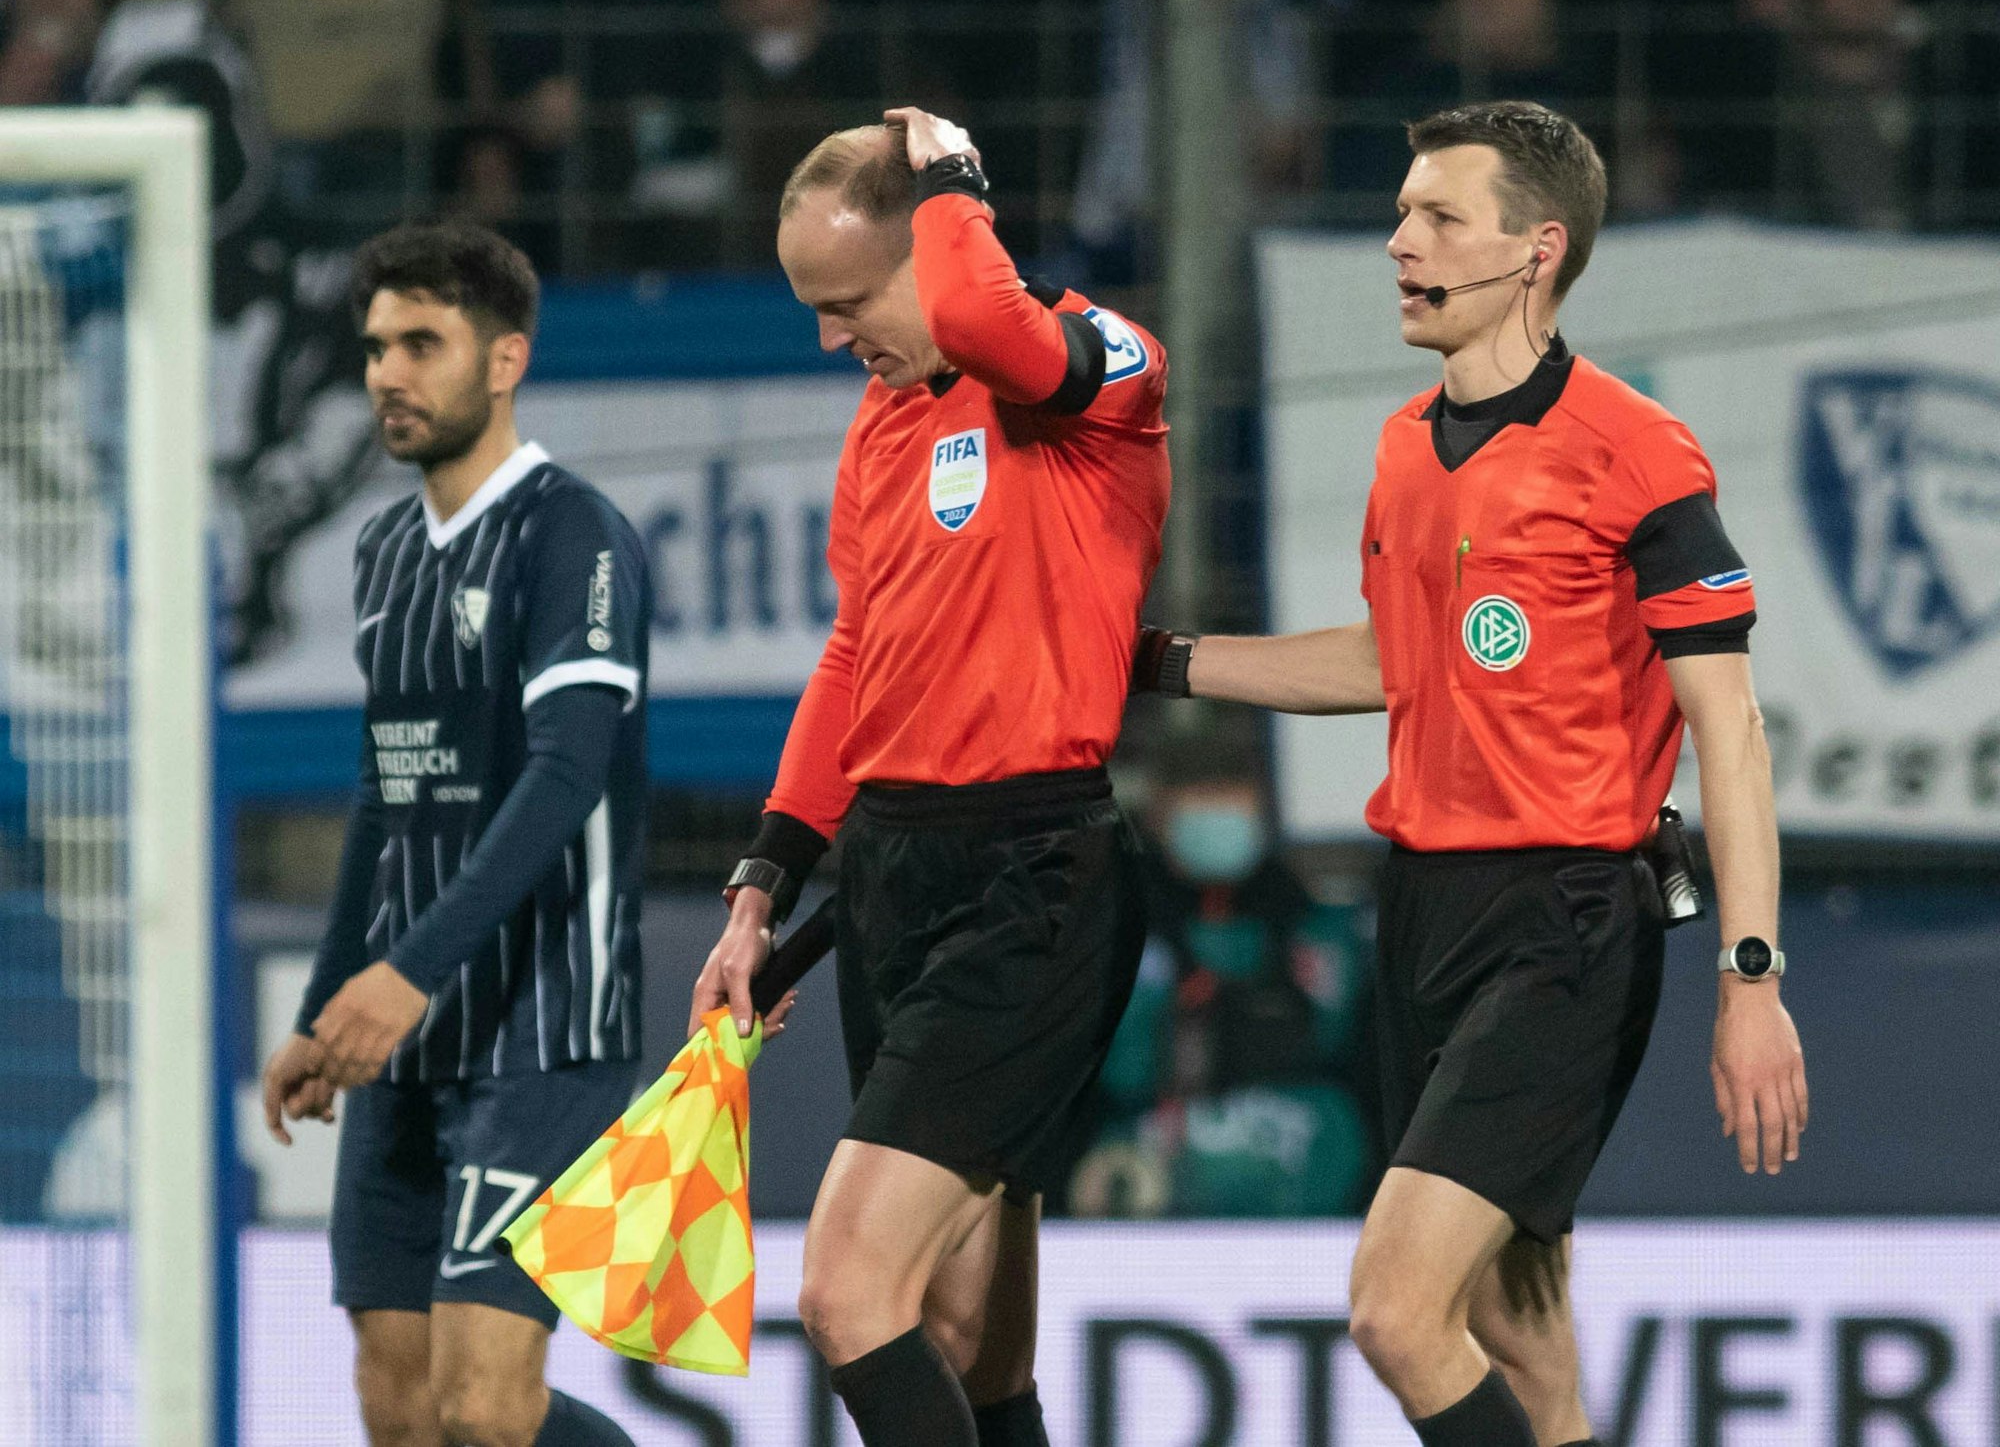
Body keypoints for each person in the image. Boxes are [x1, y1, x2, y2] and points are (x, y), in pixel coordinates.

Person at [1133, 101, 1808, 1447]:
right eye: (1399, 213)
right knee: (1515, 1319)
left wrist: (1751, 976)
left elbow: (1727, 728)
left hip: (1564, 924)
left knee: (1395, 1308)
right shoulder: (1403, 448)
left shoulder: (1636, 452)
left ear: (1536, 250)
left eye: (1439, 217)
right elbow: (1399, 662)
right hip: (1423, 912)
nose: (1401, 241)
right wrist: (1161, 663)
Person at [687, 107, 1170, 1447]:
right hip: (891, 878)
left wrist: (953, 175)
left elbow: (988, 316)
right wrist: (759, 889)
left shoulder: (1099, 370)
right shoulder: (883, 426)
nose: (833, 339)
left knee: (848, 1292)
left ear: (935, 246)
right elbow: (857, 654)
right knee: (967, 1347)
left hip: (1033, 885)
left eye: (846, 301)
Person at [258, 222, 649, 1447]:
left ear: (502, 359)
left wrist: (405, 976)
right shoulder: (382, 553)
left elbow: (568, 773)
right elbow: (390, 794)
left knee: (484, 1410)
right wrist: (330, 1008)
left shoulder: (571, 534)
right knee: (403, 1409)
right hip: (400, 1038)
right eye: (375, 348)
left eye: (421, 343)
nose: (387, 373)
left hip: (542, 1025)